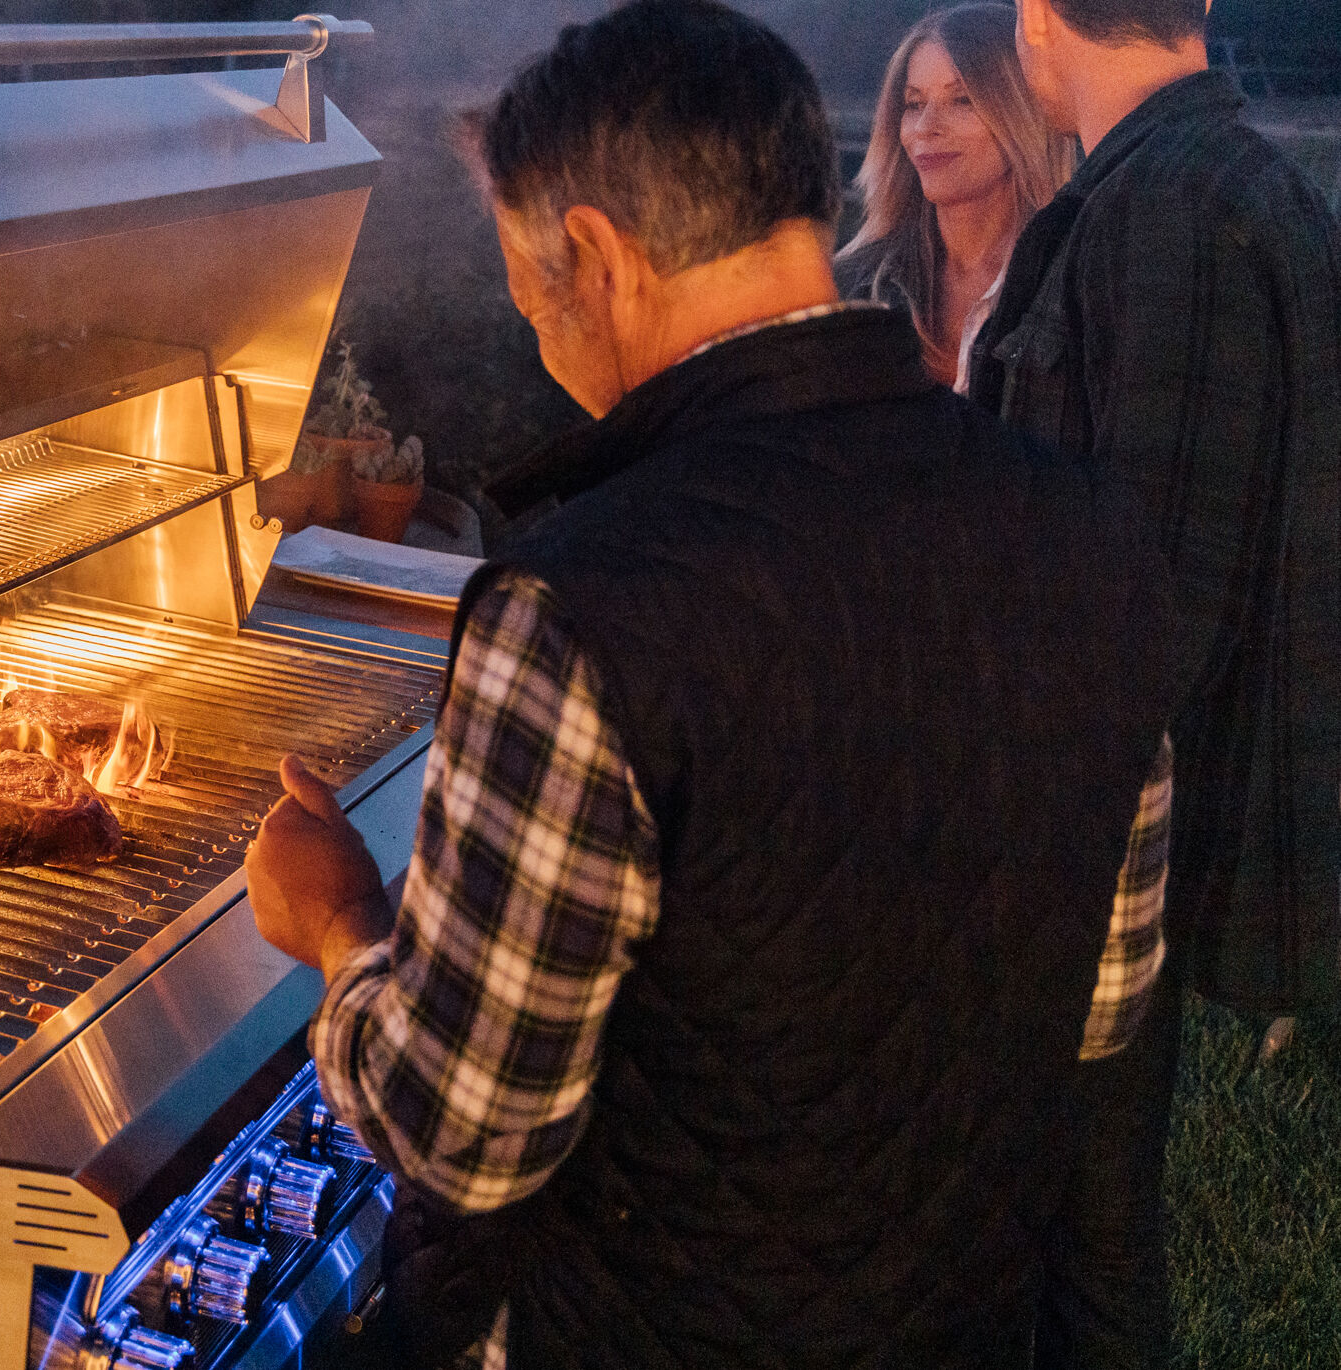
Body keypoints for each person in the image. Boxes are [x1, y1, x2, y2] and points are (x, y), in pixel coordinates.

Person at [244, 2, 1179, 1366]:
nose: (530, 320)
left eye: (523, 271)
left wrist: (338, 925)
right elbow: (1101, 1004)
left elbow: (462, 1132)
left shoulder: (582, 607)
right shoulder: (1090, 533)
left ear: (593, 254)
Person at [968, 0, 1341, 1364]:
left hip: (1109, 839)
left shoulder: (1172, 208)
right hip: (1131, 820)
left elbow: (1152, 600)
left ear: (1039, 21)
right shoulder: (1204, 181)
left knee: (1080, 1240)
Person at [837, 4, 1077, 389]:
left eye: (962, 100)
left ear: (1021, 110)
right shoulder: (856, 282)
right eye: (914, 104)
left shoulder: (1075, 278)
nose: (925, 128)